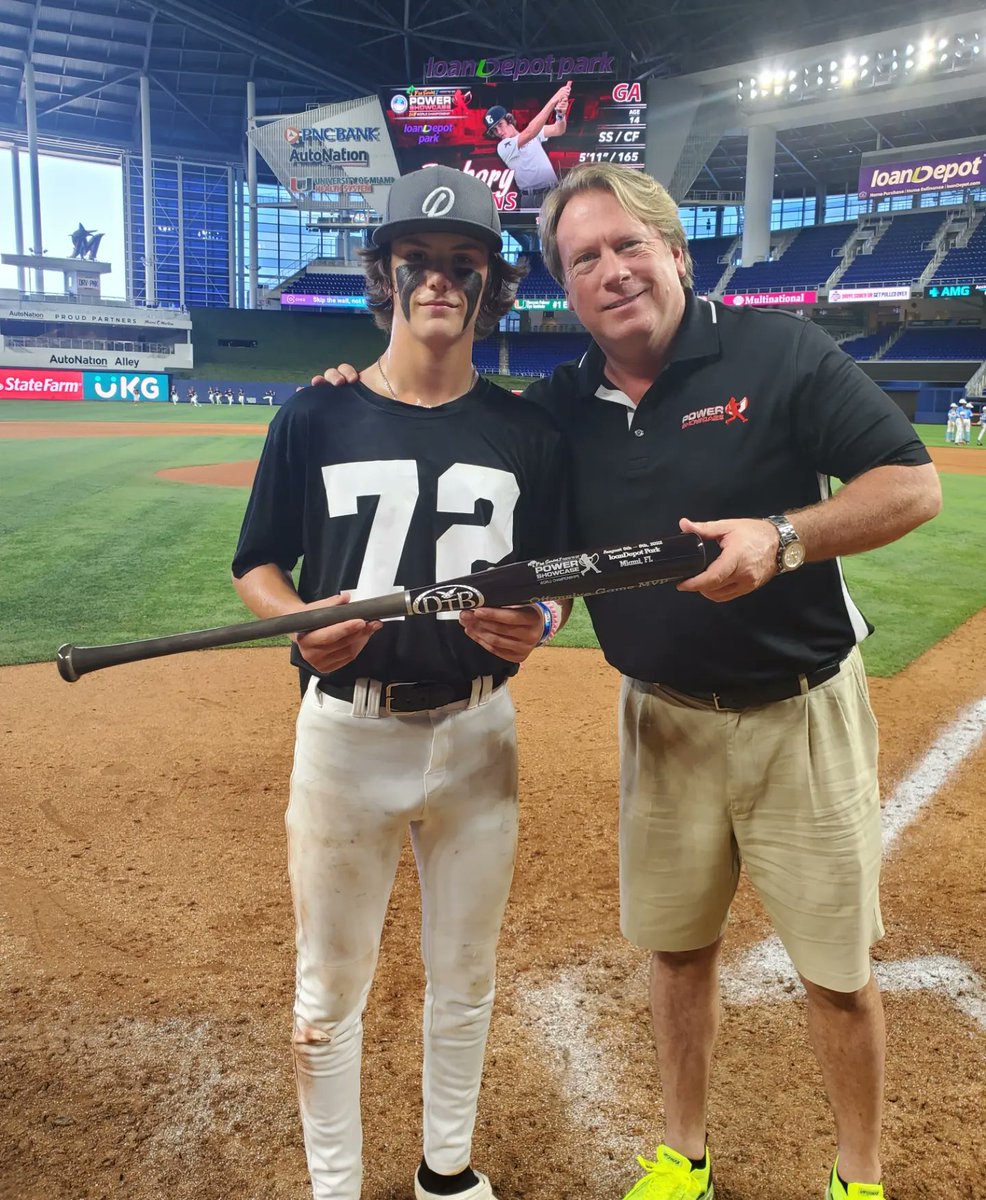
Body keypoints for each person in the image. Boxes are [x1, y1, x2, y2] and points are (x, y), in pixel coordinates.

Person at [315, 162, 942, 1200]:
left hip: (800, 715)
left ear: (673, 254)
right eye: (581, 259)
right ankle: (683, 1160)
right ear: (563, 287)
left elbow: (911, 483)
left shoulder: (776, 350)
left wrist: (784, 538)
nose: (609, 271)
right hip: (660, 722)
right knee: (678, 954)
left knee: (835, 974)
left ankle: (857, 1179)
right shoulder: (560, 409)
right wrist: (354, 392)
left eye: (626, 245)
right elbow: (546, 554)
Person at [232, 164, 571, 1200]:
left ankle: (446, 1173)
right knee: (327, 992)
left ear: (487, 286)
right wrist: (297, 624)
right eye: (415, 262)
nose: (438, 281)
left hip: (479, 737)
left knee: (463, 980)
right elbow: (257, 564)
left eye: (462, 266)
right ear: (383, 274)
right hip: (347, 732)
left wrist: (540, 624)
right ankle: (334, 1187)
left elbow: (557, 579)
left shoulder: (525, 431)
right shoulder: (313, 416)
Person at [483, 82, 571, 211]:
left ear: (508, 120)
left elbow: (558, 130)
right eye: (495, 130)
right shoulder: (503, 147)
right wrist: (553, 101)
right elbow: (530, 133)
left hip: (553, 193)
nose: (499, 132)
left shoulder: (533, 132)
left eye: (500, 125)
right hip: (532, 198)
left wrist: (560, 115)